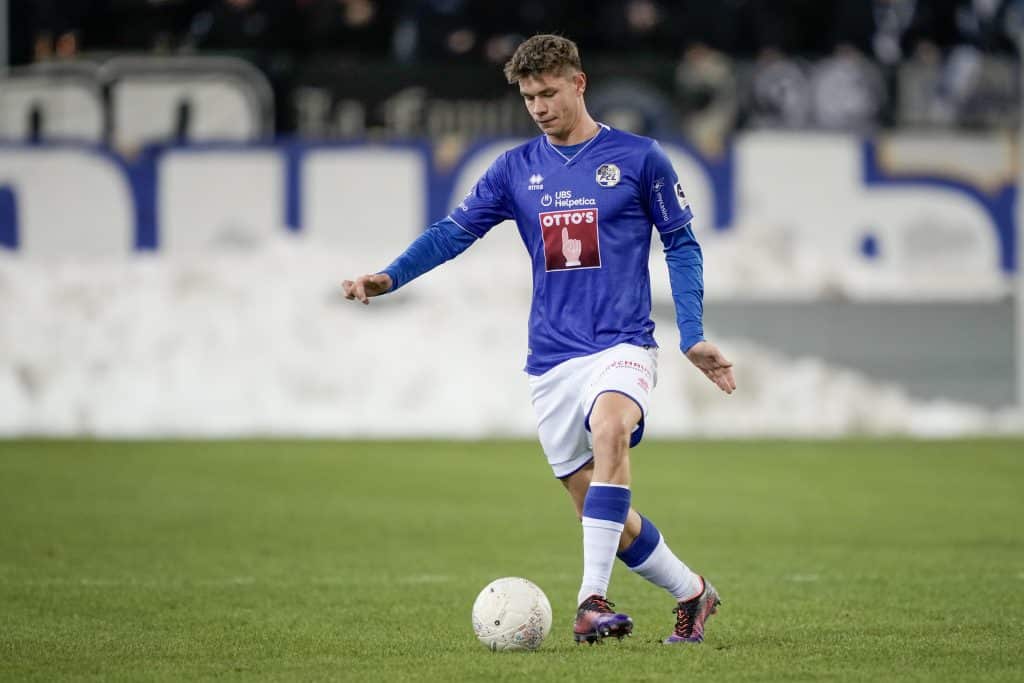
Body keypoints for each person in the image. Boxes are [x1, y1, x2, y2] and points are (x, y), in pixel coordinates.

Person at [342, 33, 736, 645]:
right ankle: (692, 592)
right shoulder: (514, 169)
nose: (539, 107)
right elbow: (452, 232)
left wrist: (691, 334)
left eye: (549, 93)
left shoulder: (640, 158)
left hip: (623, 342)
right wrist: (390, 276)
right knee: (598, 508)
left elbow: (682, 245)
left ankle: (590, 602)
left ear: (579, 83)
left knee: (611, 428)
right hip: (551, 358)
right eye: (529, 98)